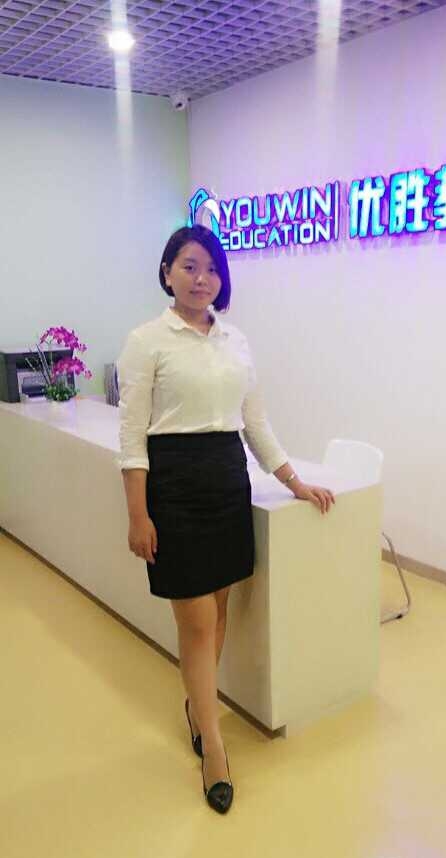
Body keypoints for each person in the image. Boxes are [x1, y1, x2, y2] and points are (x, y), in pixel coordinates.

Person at [116, 224, 335, 815]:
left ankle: (197, 706)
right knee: (195, 622)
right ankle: (213, 743)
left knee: (217, 612)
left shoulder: (235, 340)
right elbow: (132, 437)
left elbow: (254, 423)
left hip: (225, 480)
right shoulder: (146, 341)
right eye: (189, 266)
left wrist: (294, 481)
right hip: (174, 486)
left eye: (212, 268)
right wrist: (138, 514)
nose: (201, 278)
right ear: (167, 272)